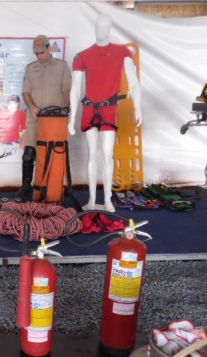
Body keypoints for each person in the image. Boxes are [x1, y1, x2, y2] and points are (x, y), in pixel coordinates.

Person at [68, 13, 142, 212]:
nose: (100, 30)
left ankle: (107, 200)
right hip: (89, 109)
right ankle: (92, 199)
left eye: (104, 26)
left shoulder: (122, 52)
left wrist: (138, 106)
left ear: (109, 28)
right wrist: (72, 116)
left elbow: (134, 82)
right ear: (95, 28)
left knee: (107, 155)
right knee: (92, 155)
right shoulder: (82, 56)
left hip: (109, 109)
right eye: (98, 26)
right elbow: (75, 88)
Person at [18, 35, 71, 202]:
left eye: (42, 52)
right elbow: (25, 92)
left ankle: (53, 186)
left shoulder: (62, 67)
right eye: (37, 53)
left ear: (49, 48)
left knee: (53, 154)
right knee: (28, 155)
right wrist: (32, 107)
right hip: (35, 119)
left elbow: (67, 90)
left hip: (54, 121)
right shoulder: (30, 68)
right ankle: (26, 185)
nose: (39, 56)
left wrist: (67, 110)